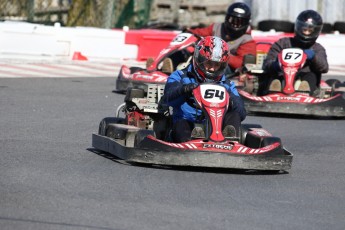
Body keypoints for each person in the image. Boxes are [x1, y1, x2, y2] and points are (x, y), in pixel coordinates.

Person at [161, 36, 246, 143]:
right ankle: (191, 141)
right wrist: (184, 90)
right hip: (187, 124)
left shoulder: (227, 84)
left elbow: (242, 113)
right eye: (209, 63)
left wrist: (231, 100)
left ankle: (230, 141)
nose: (212, 68)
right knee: (182, 124)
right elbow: (167, 98)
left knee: (234, 115)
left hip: (218, 129)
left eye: (217, 65)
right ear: (199, 59)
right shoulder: (180, 76)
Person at [262, 10, 329, 95]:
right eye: (304, 30)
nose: (306, 33)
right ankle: (274, 91)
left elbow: (324, 68)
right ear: (298, 28)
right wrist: (275, 65)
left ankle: (304, 92)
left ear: (315, 31)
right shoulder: (282, 43)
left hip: (305, 78)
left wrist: (314, 56)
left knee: (310, 76)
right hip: (282, 75)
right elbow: (266, 64)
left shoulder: (317, 48)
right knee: (275, 77)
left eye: (310, 30)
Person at [186, 2, 256, 72]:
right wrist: (188, 32)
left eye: (239, 22)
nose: (235, 24)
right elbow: (198, 33)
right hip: (205, 61)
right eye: (232, 20)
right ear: (227, 18)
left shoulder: (248, 41)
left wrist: (220, 54)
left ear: (246, 23)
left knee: (222, 67)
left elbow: (240, 63)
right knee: (182, 53)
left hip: (225, 71)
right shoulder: (217, 27)